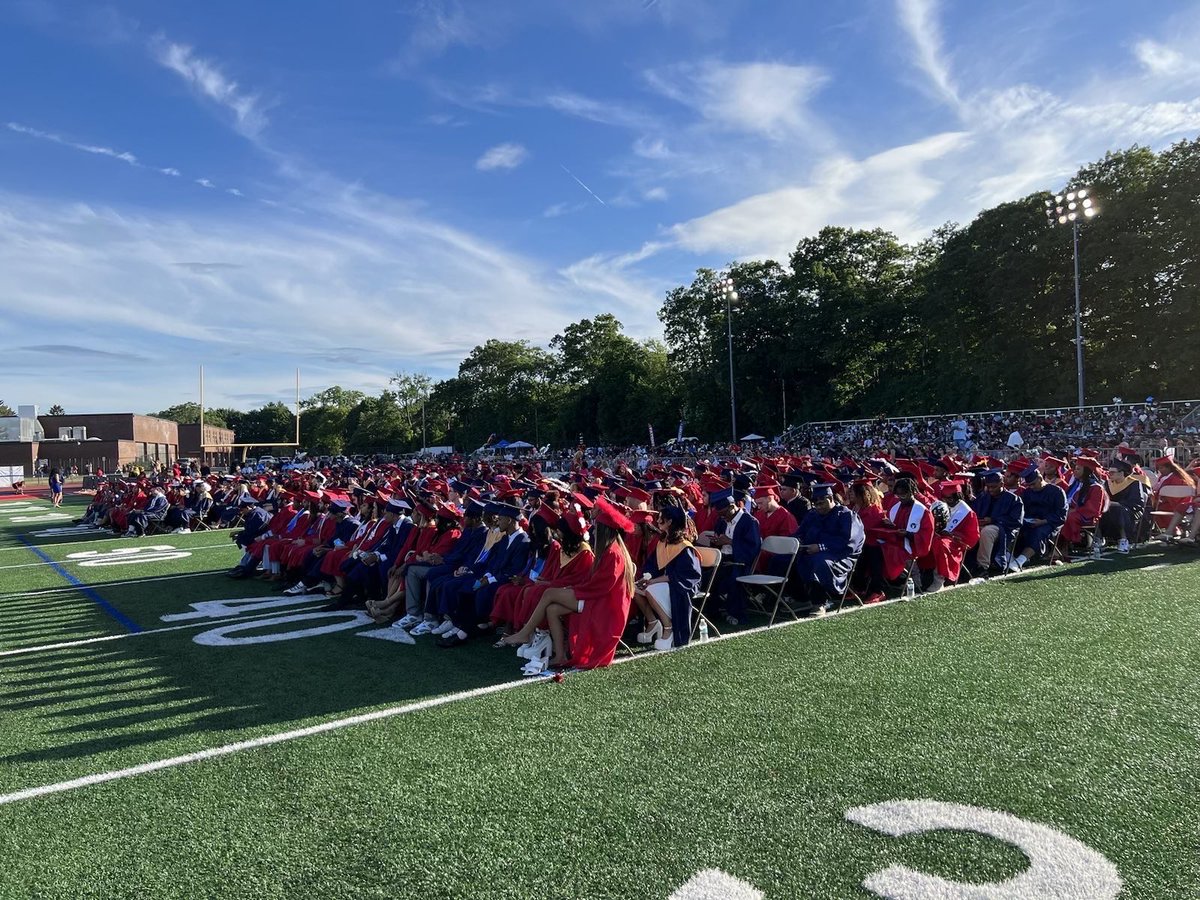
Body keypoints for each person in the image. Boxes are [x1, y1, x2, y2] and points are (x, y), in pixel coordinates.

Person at [502, 497, 635, 669]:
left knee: (549, 593)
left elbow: (602, 586)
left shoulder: (613, 554)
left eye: (597, 529)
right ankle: (559, 655)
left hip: (603, 604)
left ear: (604, 531)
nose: (593, 533)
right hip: (594, 596)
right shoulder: (610, 551)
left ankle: (525, 633)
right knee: (552, 609)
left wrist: (574, 588)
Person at [633, 505, 701, 650]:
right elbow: (653, 565)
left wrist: (652, 581)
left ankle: (668, 627)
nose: (657, 521)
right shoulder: (663, 542)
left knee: (651, 589)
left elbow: (684, 575)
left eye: (660, 518)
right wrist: (646, 577)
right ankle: (652, 623)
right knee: (634, 589)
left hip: (683, 584)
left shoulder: (684, 547)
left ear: (670, 522)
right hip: (664, 582)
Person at [790, 483, 865, 614]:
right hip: (812, 552)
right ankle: (801, 598)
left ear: (830, 499)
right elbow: (800, 532)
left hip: (840, 556)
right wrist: (798, 542)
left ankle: (820, 602)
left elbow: (848, 542)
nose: (818, 506)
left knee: (818, 562)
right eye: (815, 503)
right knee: (786, 559)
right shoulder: (813, 515)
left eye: (821, 502)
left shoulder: (846, 516)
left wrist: (820, 547)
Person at [697, 488, 761, 625]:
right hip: (723, 559)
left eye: (724, 514)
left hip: (740, 562)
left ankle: (736, 613)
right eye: (720, 515)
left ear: (732, 507)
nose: (722, 517)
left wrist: (730, 542)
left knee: (732, 580)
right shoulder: (722, 521)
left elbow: (753, 549)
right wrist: (716, 541)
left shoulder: (749, 522)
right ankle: (712, 612)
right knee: (705, 576)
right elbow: (719, 540)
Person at [918, 479, 979, 591]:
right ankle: (918, 577)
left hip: (955, 543)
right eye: (944, 498)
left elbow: (971, 537)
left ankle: (939, 580)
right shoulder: (942, 506)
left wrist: (951, 534)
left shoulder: (967, 512)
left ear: (957, 497)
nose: (946, 501)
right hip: (939, 537)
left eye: (950, 498)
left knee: (940, 544)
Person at [1007, 467, 1068, 573]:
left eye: (1033, 484)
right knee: (1013, 526)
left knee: (1038, 532)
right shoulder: (1027, 493)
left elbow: (1061, 515)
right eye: (1029, 485)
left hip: (1050, 523)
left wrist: (1043, 521)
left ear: (1040, 478)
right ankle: (1008, 556)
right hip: (1030, 521)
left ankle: (1020, 561)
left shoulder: (1057, 491)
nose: (1031, 487)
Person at [971, 469, 1024, 572]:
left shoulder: (1014, 499)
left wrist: (993, 519)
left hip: (1004, 529)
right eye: (988, 487)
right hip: (984, 525)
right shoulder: (983, 497)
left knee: (987, 531)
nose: (990, 490)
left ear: (1002, 484)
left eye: (993, 487)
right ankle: (968, 563)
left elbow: (1017, 521)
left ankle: (982, 566)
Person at [1058, 457, 1109, 556]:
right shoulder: (1075, 485)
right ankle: (1053, 546)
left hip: (1086, 516)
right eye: (1075, 468)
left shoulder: (1096, 487)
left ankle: (1063, 546)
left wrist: (1074, 510)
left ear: (1086, 471)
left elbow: (1093, 508)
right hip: (1070, 511)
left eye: (1078, 469)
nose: (1074, 471)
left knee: (1069, 517)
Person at [1101, 460, 1147, 553]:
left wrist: (1115, 504)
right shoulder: (1108, 484)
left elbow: (1136, 503)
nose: (1110, 474)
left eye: (1112, 472)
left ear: (1121, 473)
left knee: (1119, 510)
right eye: (1109, 472)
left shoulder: (1134, 483)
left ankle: (1124, 539)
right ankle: (1099, 539)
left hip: (1131, 511)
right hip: (1111, 509)